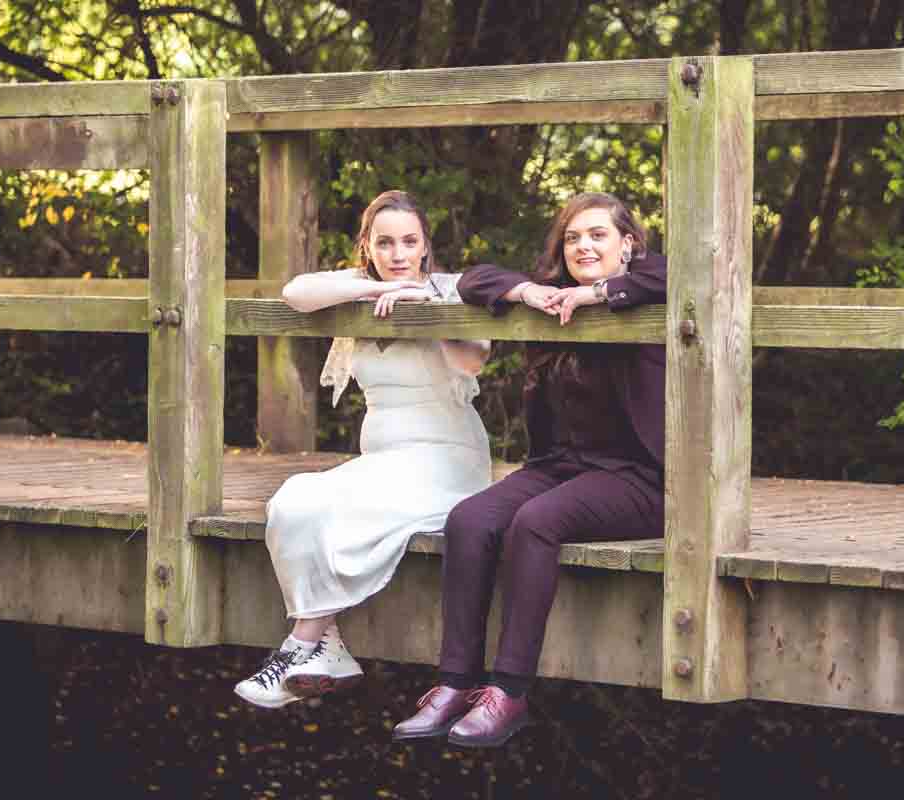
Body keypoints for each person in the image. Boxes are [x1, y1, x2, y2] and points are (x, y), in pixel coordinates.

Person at [393, 192, 667, 747]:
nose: (583, 245)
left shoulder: (646, 287)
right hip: (562, 465)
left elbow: (671, 277)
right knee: (470, 519)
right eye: (572, 238)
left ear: (628, 244)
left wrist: (593, 295)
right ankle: (455, 683)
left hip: (640, 478)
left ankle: (509, 691)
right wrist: (528, 292)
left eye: (597, 235)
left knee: (536, 522)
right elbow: (474, 280)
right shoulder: (550, 300)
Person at [235, 190, 492, 709]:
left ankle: (300, 644)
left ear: (425, 247)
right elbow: (296, 292)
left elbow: (474, 361)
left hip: (446, 459)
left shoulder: (448, 289)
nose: (399, 254)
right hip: (382, 462)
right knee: (293, 501)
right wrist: (365, 285)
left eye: (409, 242)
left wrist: (429, 307)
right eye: (385, 243)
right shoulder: (359, 294)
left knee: (351, 514)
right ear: (368, 247)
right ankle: (326, 646)